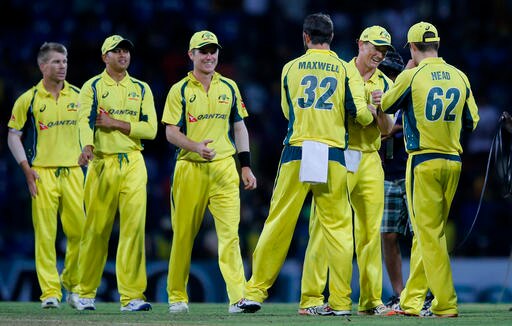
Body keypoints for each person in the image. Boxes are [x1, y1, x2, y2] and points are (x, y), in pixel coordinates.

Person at [237, 13, 374, 314]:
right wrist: (372, 106)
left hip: (298, 151)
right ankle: (339, 303)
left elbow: (289, 112)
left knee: (278, 223)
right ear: (332, 38)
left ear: (305, 36)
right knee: (338, 229)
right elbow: (360, 115)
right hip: (333, 153)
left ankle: (254, 292)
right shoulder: (343, 68)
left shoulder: (290, 68)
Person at [382, 21, 479, 317]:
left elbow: (386, 104)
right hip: (453, 161)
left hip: (423, 161)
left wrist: (407, 73)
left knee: (428, 236)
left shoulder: (412, 74)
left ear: (412, 47)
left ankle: (445, 302)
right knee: (431, 232)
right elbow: (471, 121)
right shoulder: (459, 75)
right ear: (437, 44)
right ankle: (411, 301)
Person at [299, 25, 394, 316]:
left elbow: (389, 129)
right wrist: (363, 107)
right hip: (337, 154)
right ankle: (311, 299)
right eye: (375, 47)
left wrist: (378, 110)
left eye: (385, 50)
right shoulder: (339, 70)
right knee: (321, 229)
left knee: (369, 232)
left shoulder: (386, 84)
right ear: (360, 44)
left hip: (369, 158)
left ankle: (371, 301)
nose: (379, 54)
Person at [161, 30, 257, 314]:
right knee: (183, 235)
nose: (209, 56)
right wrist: (194, 146)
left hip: (225, 168)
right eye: (203, 51)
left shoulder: (229, 87)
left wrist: (246, 165)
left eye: (213, 50)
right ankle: (177, 295)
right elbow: (170, 133)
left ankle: (238, 297)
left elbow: (239, 127)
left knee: (230, 235)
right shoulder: (179, 90)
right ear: (191, 55)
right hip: (190, 168)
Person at [75, 35, 157, 312]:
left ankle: (132, 296)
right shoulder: (93, 87)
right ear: (104, 57)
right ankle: (84, 292)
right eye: (116, 51)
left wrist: (114, 122)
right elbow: (84, 121)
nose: (123, 55)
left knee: (134, 230)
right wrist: (86, 146)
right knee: (97, 230)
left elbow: (151, 130)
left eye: (126, 51)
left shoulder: (142, 88)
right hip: (101, 162)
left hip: (134, 161)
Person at [7, 42, 84, 309]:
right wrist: (26, 169)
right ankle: (50, 292)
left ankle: (72, 283)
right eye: (56, 62)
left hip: (75, 172)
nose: (62, 66)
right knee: (46, 235)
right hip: (41, 174)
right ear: (43, 66)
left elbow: (91, 130)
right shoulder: (27, 99)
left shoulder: (79, 95)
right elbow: (13, 135)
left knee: (80, 233)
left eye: (64, 61)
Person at [378, 49, 435, 313]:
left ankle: (422, 291)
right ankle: (400, 293)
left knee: (419, 235)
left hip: (412, 169)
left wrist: (389, 129)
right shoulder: (376, 91)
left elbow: (398, 125)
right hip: (388, 173)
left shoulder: (411, 87)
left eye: (393, 72)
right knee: (388, 235)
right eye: (386, 72)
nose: (389, 77)